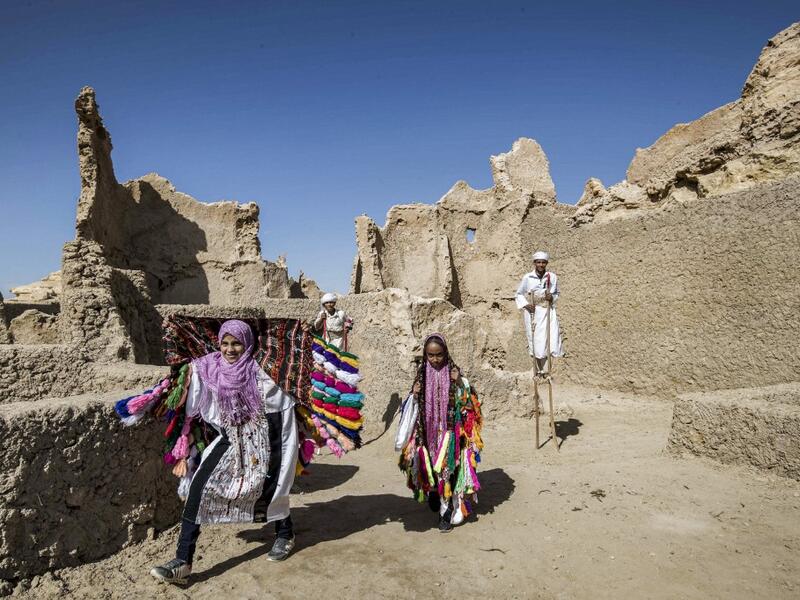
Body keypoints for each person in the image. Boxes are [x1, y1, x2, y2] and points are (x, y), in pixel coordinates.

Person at [150, 320, 299, 584]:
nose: (230, 350)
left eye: (237, 343)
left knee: (272, 489)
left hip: (263, 443)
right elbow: (191, 384)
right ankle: (183, 560)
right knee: (198, 488)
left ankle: (285, 534)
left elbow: (284, 408)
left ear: (248, 343)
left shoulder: (262, 373)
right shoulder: (209, 367)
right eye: (225, 343)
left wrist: (278, 449)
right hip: (229, 440)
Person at [397, 333, 483, 533]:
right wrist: (415, 393)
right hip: (427, 432)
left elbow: (470, 403)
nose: (435, 359)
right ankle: (434, 493)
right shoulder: (422, 374)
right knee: (430, 465)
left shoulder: (454, 373)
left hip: (449, 433)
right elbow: (412, 406)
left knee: (447, 469)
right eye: (430, 355)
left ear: (446, 353)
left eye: (439, 355)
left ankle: (446, 511)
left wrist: (460, 383)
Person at [515, 250, 563, 375]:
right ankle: (537, 370)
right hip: (534, 312)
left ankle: (547, 371)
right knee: (536, 340)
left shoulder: (552, 277)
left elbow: (556, 293)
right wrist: (526, 305)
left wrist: (551, 298)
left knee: (549, 338)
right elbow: (519, 294)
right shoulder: (527, 277)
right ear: (534, 263)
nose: (541, 265)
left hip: (547, 310)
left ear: (546, 263)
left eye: (543, 262)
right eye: (538, 262)